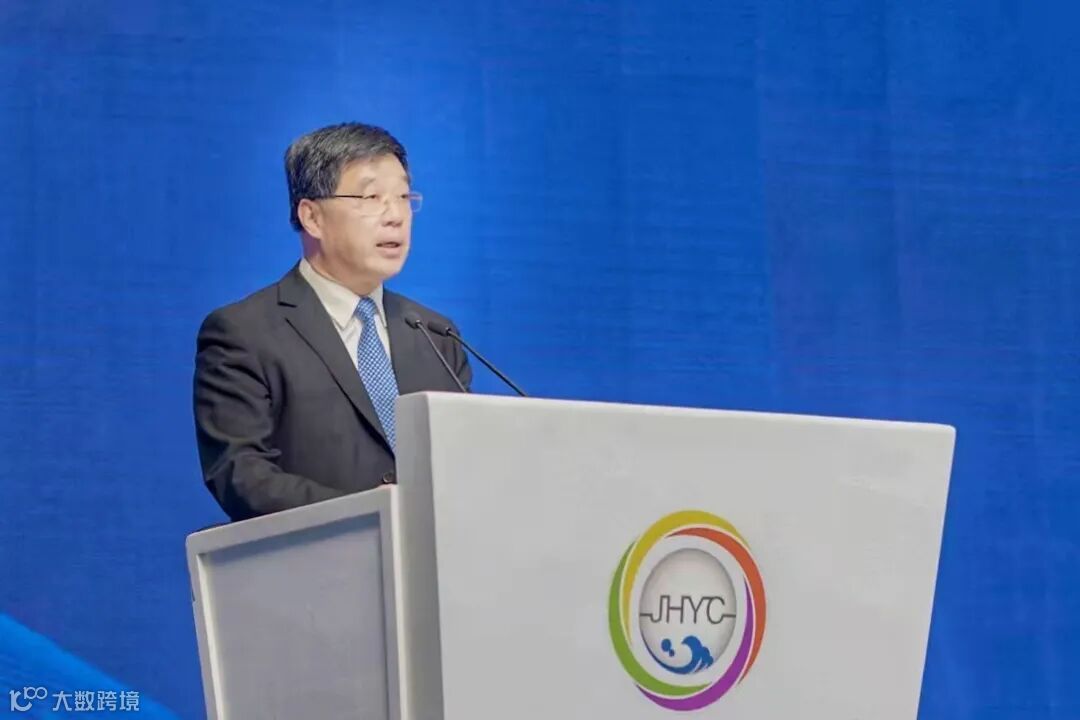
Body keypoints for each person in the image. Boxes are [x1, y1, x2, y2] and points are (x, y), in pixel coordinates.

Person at [192, 122, 471, 521]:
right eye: (372, 197)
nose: (395, 216)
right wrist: (373, 512)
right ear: (312, 217)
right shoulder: (244, 334)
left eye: (404, 197)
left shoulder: (435, 335)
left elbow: (463, 464)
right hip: (320, 555)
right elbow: (243, 477)